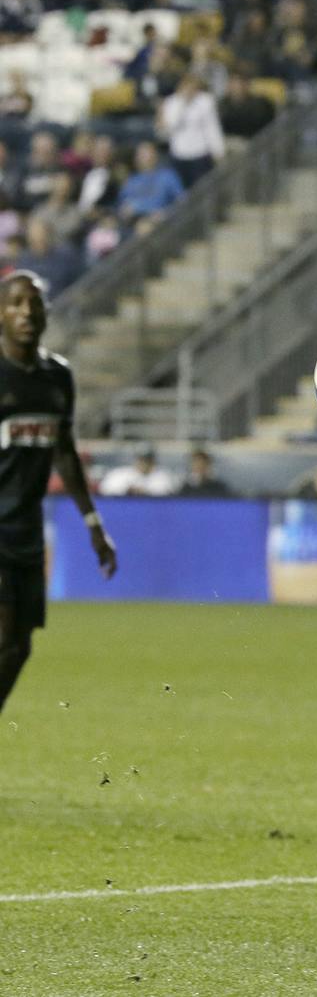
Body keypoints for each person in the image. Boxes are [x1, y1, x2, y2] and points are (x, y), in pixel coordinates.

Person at [0, 271, 116, 713]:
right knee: (5, 631)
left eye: (34, 304)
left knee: (18, 649)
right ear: (0, 314)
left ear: (48, 314)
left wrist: (93, 523)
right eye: (15, 303)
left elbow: (63, 452)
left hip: (26, 532)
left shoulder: (57, 378)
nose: (26, 312)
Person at [98, 445, 178, 496]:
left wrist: (144, 491)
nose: (144, 463)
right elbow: (105, 488)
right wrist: (127, 490)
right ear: (136, 459)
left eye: (147, 459)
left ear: (153, 460)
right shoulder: (122, 473)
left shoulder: (162, 476)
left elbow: (165, 491)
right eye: (141, 459)